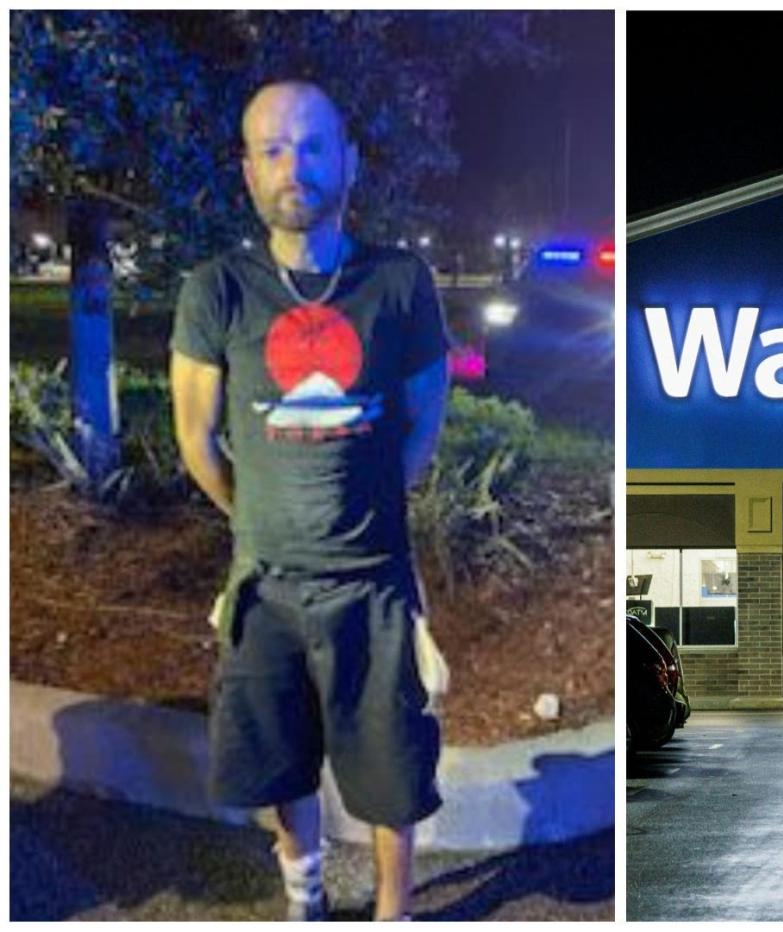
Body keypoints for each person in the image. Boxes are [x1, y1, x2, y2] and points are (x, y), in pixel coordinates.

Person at [170, 80, 449, 921]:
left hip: (375, 584)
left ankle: (393, 913)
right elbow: (197, 442)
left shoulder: (399, 282)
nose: (296, 165)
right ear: (248, 172)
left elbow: (420, 428)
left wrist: (361, 512)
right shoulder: (217, 290)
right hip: (265, 588)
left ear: (350, 163)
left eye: (314, 145)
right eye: (274, 149)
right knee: (277, 765)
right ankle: (306, 893)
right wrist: (258, 519)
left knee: (392, 770)